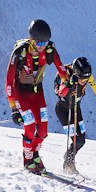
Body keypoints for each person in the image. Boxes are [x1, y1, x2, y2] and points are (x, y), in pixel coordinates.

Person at [5, 19, 68, 173]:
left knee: (43, 131)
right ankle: (27, 159)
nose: (42, 47)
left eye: (45, 44)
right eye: (39, 44)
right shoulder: (19, 53)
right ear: (31, 40)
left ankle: (34, 153)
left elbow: (61, 70)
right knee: (30, 126)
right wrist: (13, 108)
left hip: (37, 93)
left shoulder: (49, 50)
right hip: (21, 93)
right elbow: (8, 81)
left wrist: (66, 82)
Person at [53, 56, 96, 175]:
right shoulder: (65, 74)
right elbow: (60, 92)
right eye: (82, 79)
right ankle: (68, 163)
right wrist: (69, 83)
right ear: (76, 73)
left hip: (76, 108)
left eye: (86, 79)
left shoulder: (87, 76)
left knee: (81, 141)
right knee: (76, 139)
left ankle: (69, 157)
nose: (84, 81)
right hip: (64, 111)